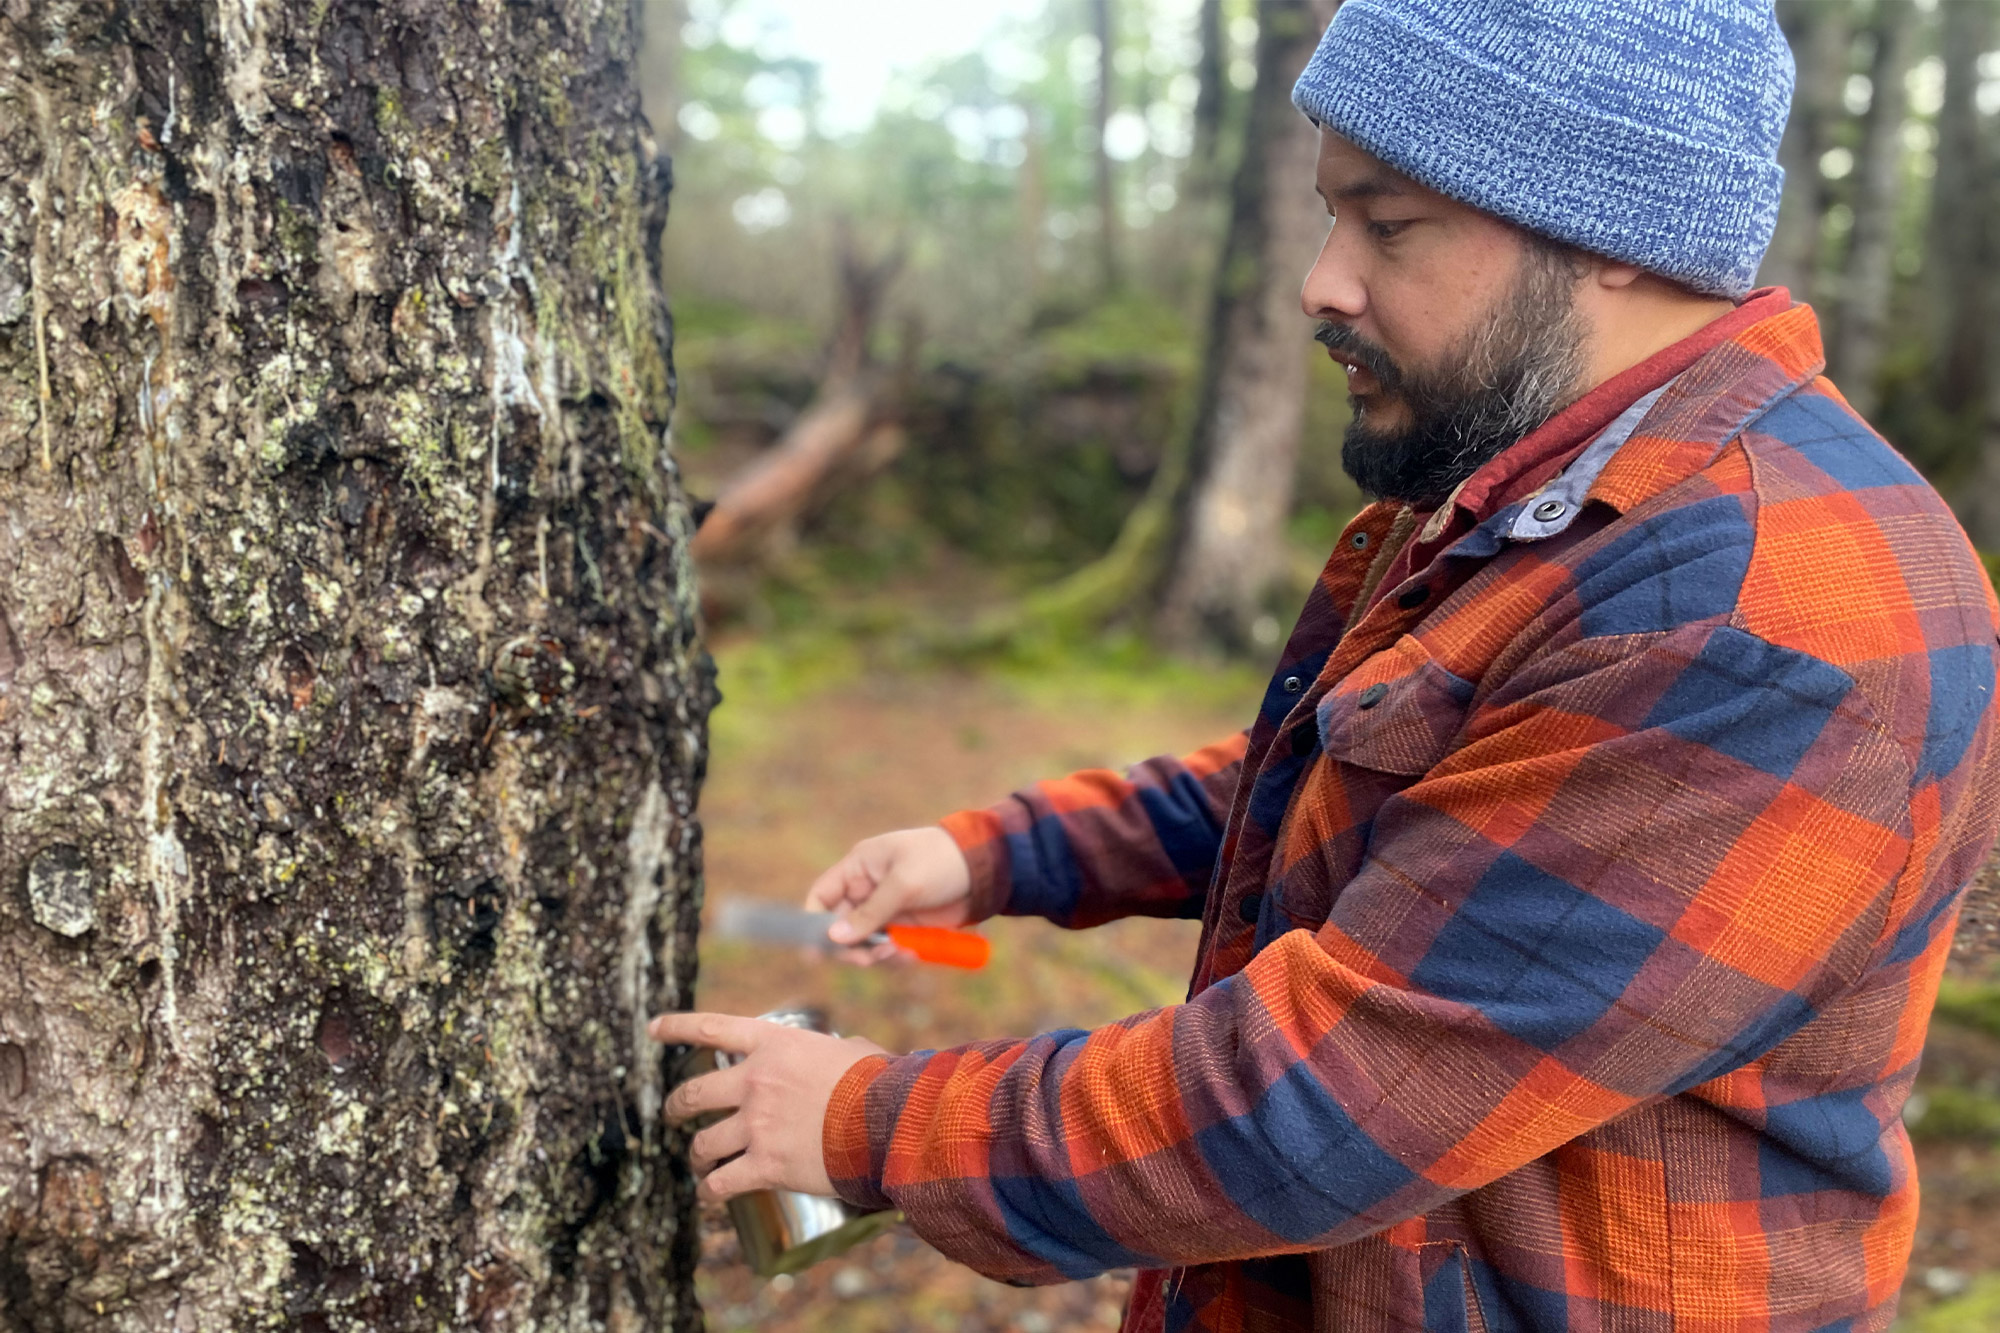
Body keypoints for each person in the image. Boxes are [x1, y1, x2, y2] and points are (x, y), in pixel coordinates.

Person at [651, 1, 2000, 1328]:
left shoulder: (1745, 611)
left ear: (1610, 231)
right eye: (1330, 213)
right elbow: (1352, 773)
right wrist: (995, 853)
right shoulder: (1552, 488)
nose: (1323, 280)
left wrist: (867, 1123)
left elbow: (1326, 1103)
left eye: (1389, 221)